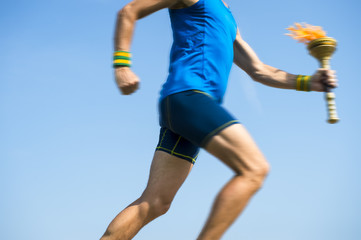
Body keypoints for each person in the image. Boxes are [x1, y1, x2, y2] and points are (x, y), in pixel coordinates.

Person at [100, 0, 337, 239]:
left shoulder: (228, 16)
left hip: (189, 106)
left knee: (155, 202)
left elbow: (258, 70)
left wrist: (309, 82)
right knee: (254, 169)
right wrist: (122, 66)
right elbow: (129, 11)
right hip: (188, 97)